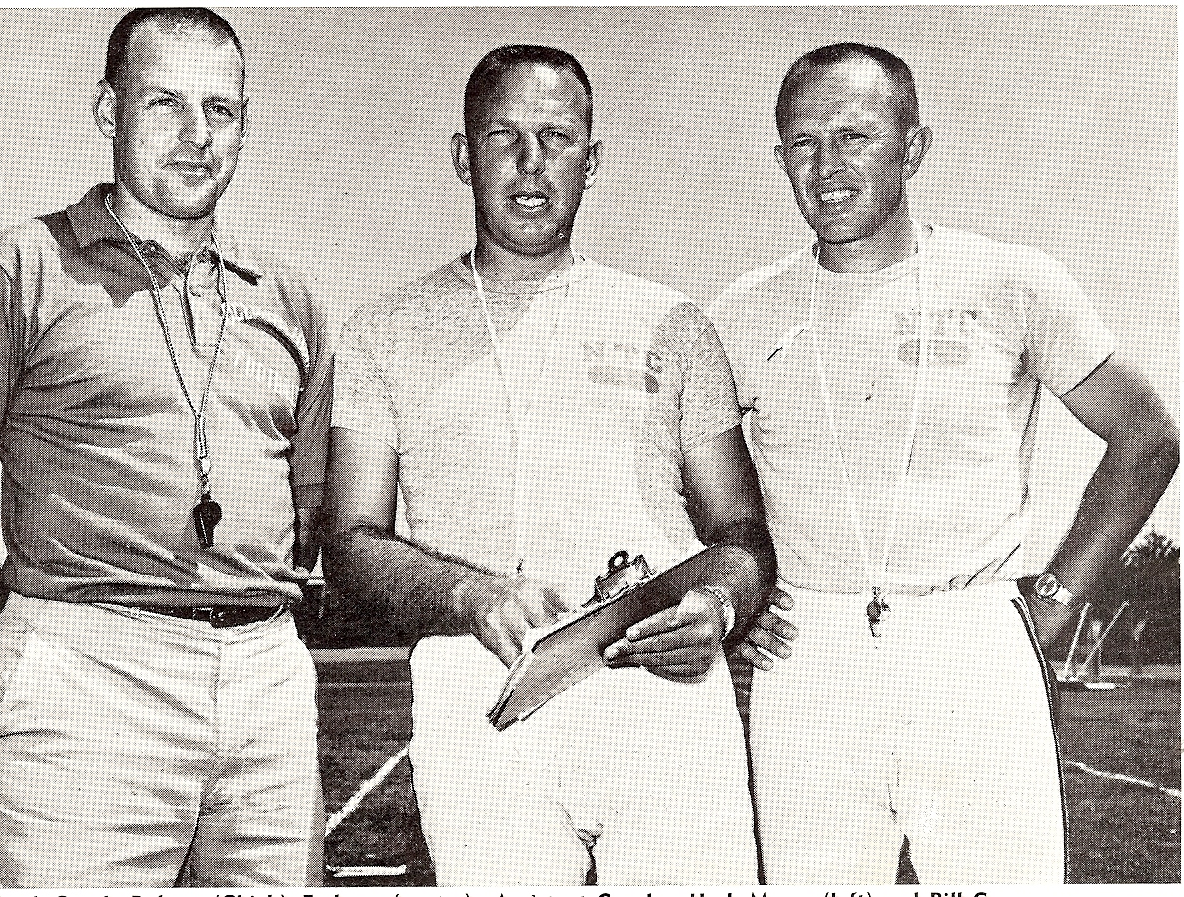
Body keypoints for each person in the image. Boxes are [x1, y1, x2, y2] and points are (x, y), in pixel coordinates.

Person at [0, 8, 332, 887]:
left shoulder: (291, 297)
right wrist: (34, 652)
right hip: (84, 676)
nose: (198, 137)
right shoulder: (14, 269)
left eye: (222, 111)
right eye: (165, 104)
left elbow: (310, 522)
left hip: (267, 684)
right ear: (107, 111)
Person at [711, 42, 1179, 884]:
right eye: (803, 144)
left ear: (912, 147)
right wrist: (733, 597)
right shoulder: (740, 314)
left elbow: (1147, 437)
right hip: (805, 657)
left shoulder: (1008, 280)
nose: (827, 167)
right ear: (779, 157)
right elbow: (695, 484)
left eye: (854, 136)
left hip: (973, 643)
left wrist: (1054, 602)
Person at [323, 44, 779, 885]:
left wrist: (715, 606)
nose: (531, 166)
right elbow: (349, 540)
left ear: (591, 159)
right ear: (464, 156)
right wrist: (468, 593)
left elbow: (739, 533)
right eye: (503, 137)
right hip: (481, 687)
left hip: (660, 682)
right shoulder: (380, 329)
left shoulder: (671, 322)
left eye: (557, 139)